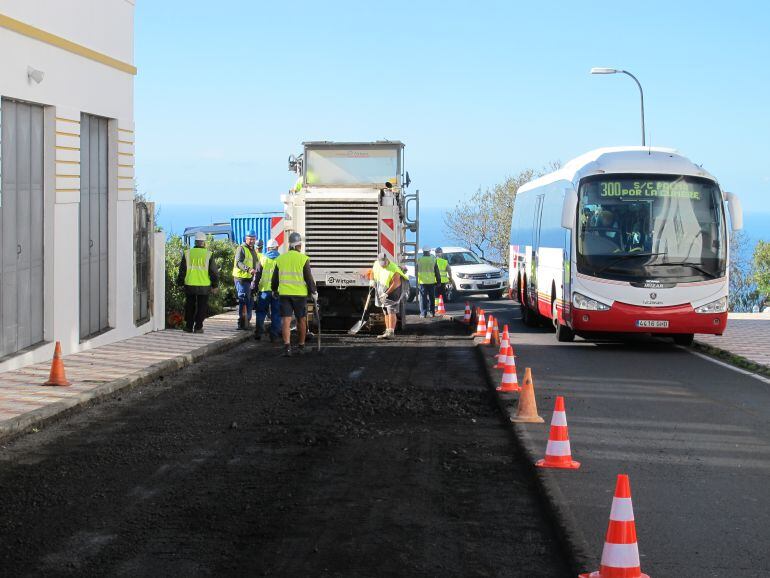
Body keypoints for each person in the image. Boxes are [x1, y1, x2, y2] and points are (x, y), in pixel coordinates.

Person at [271, 232, 317, 357]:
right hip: (299, 295)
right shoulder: (303, 259)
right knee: (301, 320)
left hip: (284, 294)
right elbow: (308, 278)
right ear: (298, 245)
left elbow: (274, 279)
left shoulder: (280, 259)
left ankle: (287, 347)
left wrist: (274, 290)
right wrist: (314, 292)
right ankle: (301, 346)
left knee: (285, 320)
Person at [176, 232, 219, 333]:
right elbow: (214, 272)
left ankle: (189, 326)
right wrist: (215, 285)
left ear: (195, 242)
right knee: (202, 307)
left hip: (190, 284)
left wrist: (180, 283)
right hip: (204, 285)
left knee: (190, 305)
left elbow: (182, 270)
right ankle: (198, 327)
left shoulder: (187, 253)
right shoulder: (209, 254)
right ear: (204, 242)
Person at [372, 251, 408, 339]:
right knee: (385, 311)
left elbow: (396, 283)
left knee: (391, 310)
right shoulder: (376, 264)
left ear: (387, 260)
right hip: (383, 290)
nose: (383, 265)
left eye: (384, 264)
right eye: (381, 264)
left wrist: (386, 293)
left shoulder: (394, 268)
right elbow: (373, 272)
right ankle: (387, 330)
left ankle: (391, 332)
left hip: (394, 291)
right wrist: (372, 280)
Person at [253, 238, 281, 342]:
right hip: (276, 292)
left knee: (261, 312)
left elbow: (257, 275)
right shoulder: (281, 259)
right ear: (277, 247)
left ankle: (258, 333)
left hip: (264, 291)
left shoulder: (263, 258)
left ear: (268, 248)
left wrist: (254, 288)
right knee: (276, 313)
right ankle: (274, 336)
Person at [232, 230, 258, 330]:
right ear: (245, 238)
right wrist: (248, 269)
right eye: (250, 239)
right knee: (243, 300)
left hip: (249, 279)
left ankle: (247, 321)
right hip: (241, 278)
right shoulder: (241, 248)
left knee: (250, 300)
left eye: (253, 239)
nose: (252, 241)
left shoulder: (253, 250)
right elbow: (238, 263)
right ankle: (242, 323)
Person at [416, 245, 441, 318]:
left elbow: (416, 270)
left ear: (423, 251)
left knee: (422, 298)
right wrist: (439, 281)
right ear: (429, 251)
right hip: (431, 282)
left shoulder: (419, 260)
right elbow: (437, 271)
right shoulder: (433, 259)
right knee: (431, 298)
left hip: (422, 282)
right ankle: (432, 312)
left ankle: (423, 313)